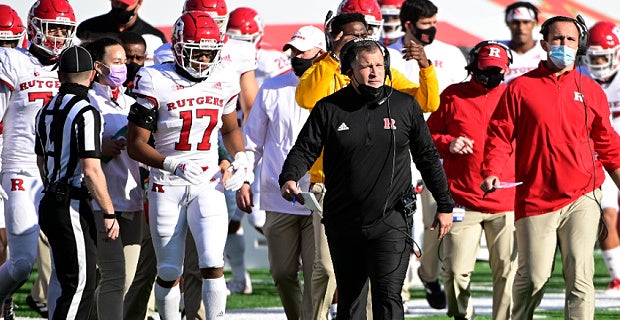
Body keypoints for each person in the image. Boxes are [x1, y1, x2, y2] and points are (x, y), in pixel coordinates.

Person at [281, 38, 454, 320]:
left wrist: (445, 205)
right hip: (343, 220)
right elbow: (304, 149)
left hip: (392, 219)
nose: (374, 71)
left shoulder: (405, 106)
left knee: (387, 297)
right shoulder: (329, 108)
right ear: (348, 71)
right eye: (365, 66)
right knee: (350, 300)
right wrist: (289, 177)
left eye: (378, 65)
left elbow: (427, 157)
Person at [480, 16, 620, 320]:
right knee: (534, 278)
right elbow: (500, 134)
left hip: (584, 194)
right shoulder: (519, 88)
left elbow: (609, 144)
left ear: (579, 45)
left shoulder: (591, 90)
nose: (564, 45)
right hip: (536, 197)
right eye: (557, 39)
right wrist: (491, 169)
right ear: (544, 44)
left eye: (570, 39)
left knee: (580, 278)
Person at [126, 11, 252, 319]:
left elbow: (230, 128)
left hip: (207, 181)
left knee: (212, 262)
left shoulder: (222, 77)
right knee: (169, 269)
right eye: (199, 51)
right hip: (165, 183)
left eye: (211, 51)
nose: (205, 59)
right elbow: (135, 144)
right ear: (180, 48)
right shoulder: (154, 79)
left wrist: (242, 159)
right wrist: (172, 165)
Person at [236, 25, 323, 320]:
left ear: (320, 54)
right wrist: (245, 178)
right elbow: (251, 142)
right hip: (278, 196)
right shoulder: (272, 87)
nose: (295, 56)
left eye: (303, 51)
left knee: (318, 272)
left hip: (321, 196)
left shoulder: (337, 86)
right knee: (282, 272)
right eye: (293, 50)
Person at [426, 41, 517, 320]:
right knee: (454, 271)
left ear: (506, 69)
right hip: (463, 199)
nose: (489, 76)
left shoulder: (515, 96)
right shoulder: (453, 96)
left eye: (495, 71)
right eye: (484, 70)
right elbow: (426, 137)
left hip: (507, 200)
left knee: (508, 271)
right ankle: (462, 315)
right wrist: (448, 143)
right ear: (473, 66)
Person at [0, 0, 76, 316]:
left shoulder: (73, 63)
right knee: (20, 264)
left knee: (64, 262)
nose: (58, 36)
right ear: (33, 28)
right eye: (53, 28)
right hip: (20, 168)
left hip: (59, 173)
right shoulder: (12, 60)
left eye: (65, 29)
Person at [35, 45, 119, 319]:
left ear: (59, 74)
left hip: (50, 199)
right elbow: (91, 169)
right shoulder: (85, 111)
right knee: (80, 285)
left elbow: (41, 163)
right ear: (92, 74)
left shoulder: (46, 108)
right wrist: (108, 212)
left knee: (67, 282)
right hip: (69, 203)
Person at [84, 37, 144, 320]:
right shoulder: (86, 102)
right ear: (98, 66)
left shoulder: (132, 102)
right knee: (113, 278)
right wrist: (101, 150)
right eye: (117, 62)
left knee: (124, 280)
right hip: (100, 202)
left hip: (131, 200)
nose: (123, 68)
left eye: (125, 62)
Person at [582, 21, 620, 294]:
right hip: (597, 156)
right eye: (593, 57)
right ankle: (618, 275)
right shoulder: (579, 76)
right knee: (606, 215)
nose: (597, 62)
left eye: (603, 56)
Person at [0, 4, 24, 318]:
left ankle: (4, 304)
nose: (4, 52)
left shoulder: (23, 66)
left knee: (6, 240)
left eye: (9, 43)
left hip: (12, 159)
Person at [76, 0, 167, 66]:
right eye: (116, 1)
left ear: (139, 3)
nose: (119, 6)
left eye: (125, 4)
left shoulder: (155, 37)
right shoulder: (88, 29)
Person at [500, 1, 547, 83]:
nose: (521, 28)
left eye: (526, 22)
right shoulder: (498, 50)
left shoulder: (546, 50)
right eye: (515, 22)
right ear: (508, 23)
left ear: (535, 23)